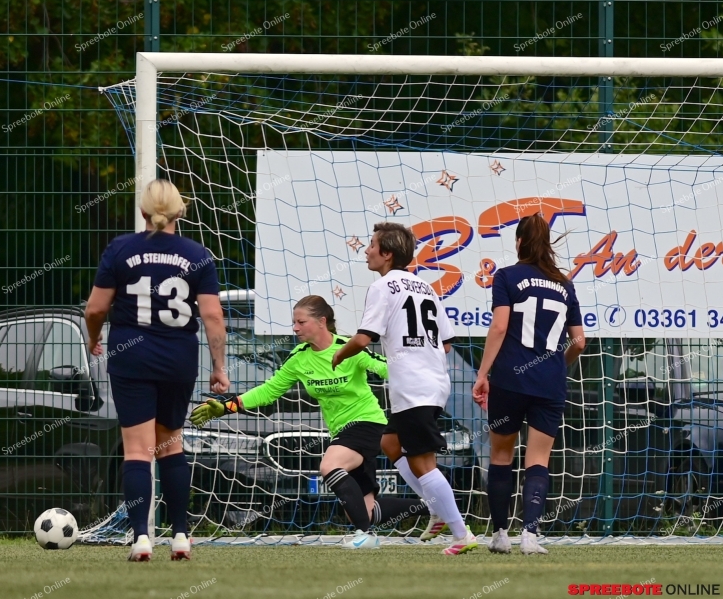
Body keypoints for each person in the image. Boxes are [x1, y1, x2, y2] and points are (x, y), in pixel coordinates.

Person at [190, 295, 429, 548]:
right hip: (341, 432)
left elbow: (387, 368)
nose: (295, 328)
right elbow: (269, 391)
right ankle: (436, 507)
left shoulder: (350, 348)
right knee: (366, 512)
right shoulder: (299, 358)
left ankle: (366, 538)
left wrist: (418, 368)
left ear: (321, 322)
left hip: (367, 422)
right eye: (294, 322)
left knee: (329, 466)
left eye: (301, 322)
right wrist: (228, 406)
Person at [84, 179, 229, 561]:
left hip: (132, 358)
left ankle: (141, 539)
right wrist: (219, 367)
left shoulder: (121, 249)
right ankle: (181, 535)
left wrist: (92, 338)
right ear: (181, 211)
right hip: (178, 359)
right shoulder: (197, 253)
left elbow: (95, 309)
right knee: (171, 444)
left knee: (137, 449)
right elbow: (212, 315)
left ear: (144, 212)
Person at [332, 222, 477, 556]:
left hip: (414, 387)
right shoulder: (425, 286)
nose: (366, 250)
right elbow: (446, 343)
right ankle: (437, 508)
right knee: (390, 442)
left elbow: (363, 337)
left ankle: (461, 533)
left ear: (387, 253)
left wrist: (340, 354)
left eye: (371, 245)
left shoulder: (383, 286)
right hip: (427, 382)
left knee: (424, 462)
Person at [472, 213, 585, 555]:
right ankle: (530, 536)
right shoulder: (565, 284)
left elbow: (500, 327)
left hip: (509, 379)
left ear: (519, 242)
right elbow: (579, 341)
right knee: (539, 459)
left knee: (502, 454)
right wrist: (556, 367)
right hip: (549, 384)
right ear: (547, 243)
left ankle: (500, 535)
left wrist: (482, 374)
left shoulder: (507, 276)